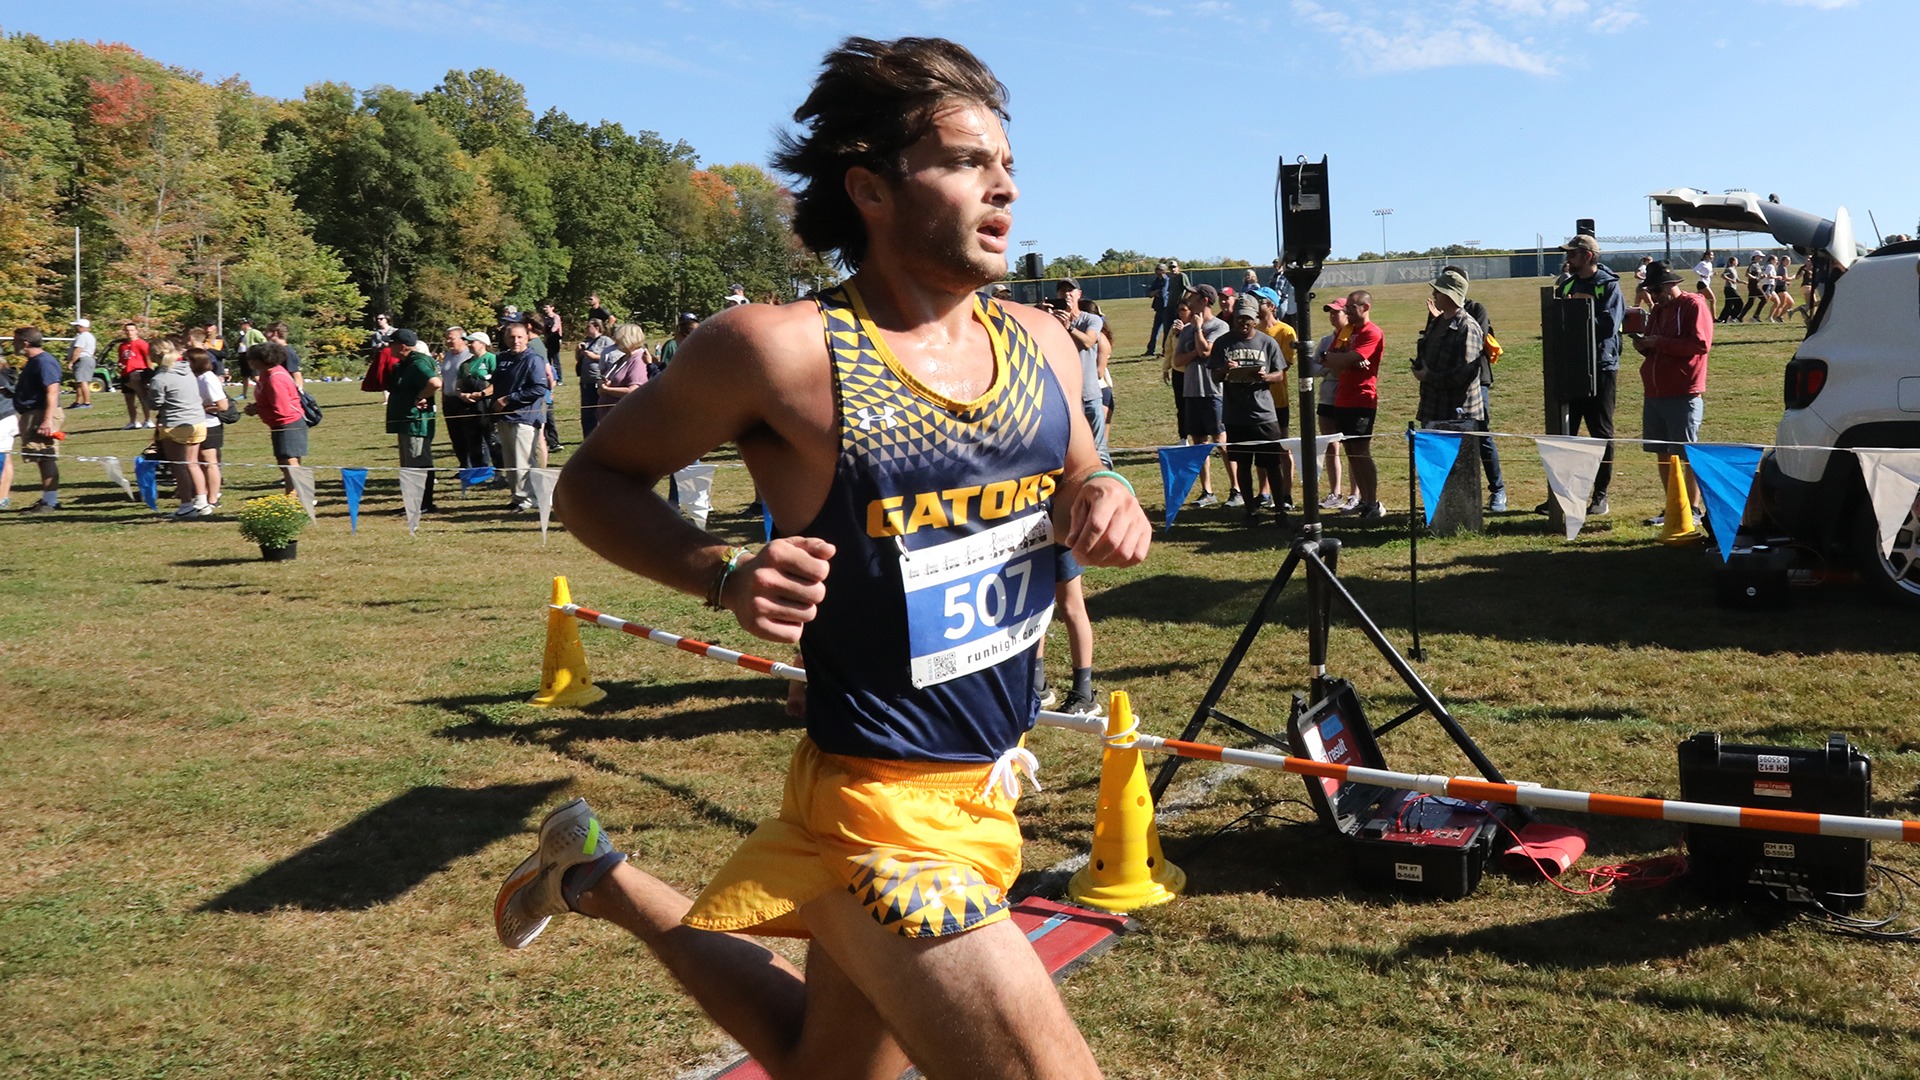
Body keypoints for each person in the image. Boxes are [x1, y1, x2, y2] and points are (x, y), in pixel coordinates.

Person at [500, 36, 1148, 1080]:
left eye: (1010, 166)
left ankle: (596, 875)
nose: (1006, 188)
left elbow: (1086, 468)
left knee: (819, 1067)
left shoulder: (1046, 341)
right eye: (967, 162)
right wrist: (724, 573)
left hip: (989, 790)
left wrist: (1109, 496)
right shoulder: (780, 351)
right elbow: (591, 484)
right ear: (871, 188)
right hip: (874, 814)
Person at [1539, 234, 1623, 517]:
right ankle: (1563, 497)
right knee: (1566, 433)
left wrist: (1582, 309)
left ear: (1588, 256)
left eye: (1573, 254)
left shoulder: (1609, 286)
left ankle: (1600, 496)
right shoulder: (1568, 284)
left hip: (1601, 368)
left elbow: (1609, 325)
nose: (1568, 259)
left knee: (1601, 433)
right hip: (1570, 369)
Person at [1631, 261, 1713, 527]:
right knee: (1662, 452)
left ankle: (1693, 509)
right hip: (1654, 392)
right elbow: (1655, 343)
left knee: (1687, 453)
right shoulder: (1658, 311)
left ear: (1669, 285)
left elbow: (1700, 344)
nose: (1652, 297)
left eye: (1655, 291)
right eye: (1650, 291)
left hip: (1683, 391)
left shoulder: (1694, 305)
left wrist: (1660, 343)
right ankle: (1673, 507)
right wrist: (1644, 345)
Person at [1208, 293, 1291, 525]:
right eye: (1238, 319)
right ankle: (1250, 510)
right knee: (1243, 464)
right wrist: (1225, 369)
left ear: (1255, 319)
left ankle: (1279, 510)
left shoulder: (1267, 342)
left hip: (1264, 413)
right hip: (1235, 414)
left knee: (1271, 463)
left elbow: (1280, 373)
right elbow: (1214, 375)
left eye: (1247, 319)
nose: (1242, 324)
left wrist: (1266, 376)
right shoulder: (1223, 343)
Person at [1429, 265, 1504, 511]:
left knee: (1480, 436)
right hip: (1442, 389)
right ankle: (1448, 499)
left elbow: (1475, 345)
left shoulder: (1474, 311)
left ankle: (1497, 490)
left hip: (1476, 383)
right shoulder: (1440, 316)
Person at [1319, 290, 1385, 520]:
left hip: (1362, 399)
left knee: (1361, 451)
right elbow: (1327, 357)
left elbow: (1345, 359)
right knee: (1351, 452)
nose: (1346, 311)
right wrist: (1341, 358)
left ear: (1365, 308)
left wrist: (1344, 358)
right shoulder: (1348, 331)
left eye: (1351, 307)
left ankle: (1373, 501)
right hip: (1341, 399)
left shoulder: (1372, 333)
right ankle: (1364, 501)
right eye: (1346, 306)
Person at [1412, 269, 1488, 455]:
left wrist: (1429, 376)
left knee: (1458, 475)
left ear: (1449, 295)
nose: (1433, 295)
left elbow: (1466, 373)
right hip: (1434, 409)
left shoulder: (1467, 327)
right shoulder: (1437, 322)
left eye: (1437, 291)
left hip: (1458, 415)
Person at [1171, 284, 1229, 507]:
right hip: (1191, 391)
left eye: (1193, 296)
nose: (1188, 299)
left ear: (1204, 300)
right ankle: (1207, 491)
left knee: (1220, 440)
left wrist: (1197, 332)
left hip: (1213, 391)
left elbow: (1207, 352)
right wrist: (1194, 348)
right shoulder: (1186, 329)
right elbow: (1178, 361)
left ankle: (1236, 489)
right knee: (1198, 443)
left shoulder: (1219, 326)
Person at [488, 318, 551, 513]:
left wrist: (509, 399)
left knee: (523, 460)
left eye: (519, 337)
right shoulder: (502, 358)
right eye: (511, 337)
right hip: (504, 418)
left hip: (524, 417)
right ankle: (517, 497)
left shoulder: (533, 359)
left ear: (526, 338)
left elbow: (539, 388)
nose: (515, 340)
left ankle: (528, 499)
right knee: (510, 461)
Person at [145, 340, 212, 518]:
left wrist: (146, 390)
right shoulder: (187, 370)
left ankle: (186, 506)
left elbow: (154, 404)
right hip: (197, 421)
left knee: (179, 466)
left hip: (176, 424)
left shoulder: (160, 378)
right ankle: (202, 502)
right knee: (192, 463)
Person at [1054, 278, 1109, 467]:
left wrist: (1069, 327)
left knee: (1099, 450)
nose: (1066, 294)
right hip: (1064, 397)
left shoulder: (1090, 319)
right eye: (1062, 291)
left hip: (1089, 394)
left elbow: (1088, 341)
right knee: (1068, 450)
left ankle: (1107, 488)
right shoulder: (1050, 322)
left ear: (1079, 294)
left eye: (1070, 290)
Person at [386, 328, 441, 514]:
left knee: (418, 462)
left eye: (391, 344)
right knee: (409, 465)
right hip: (406, 421)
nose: (388, 347)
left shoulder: (417, 363)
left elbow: (435, 382)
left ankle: (424, 503)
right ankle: (413, 503)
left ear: (402, 346)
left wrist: (421, 396)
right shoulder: (405, 363)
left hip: (416, 423)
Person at [10, 327, 64, 513]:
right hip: (33, 413)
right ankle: (48, 499)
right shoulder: (34, 361)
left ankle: (51, 502)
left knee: (44, 456)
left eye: (15, 340)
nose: (13, 344)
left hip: (42, 413)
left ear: (25, 343)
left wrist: (47, 420)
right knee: (40, 457)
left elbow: (53, 390)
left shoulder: (44, 362)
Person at [243, 342, 304, 495]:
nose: (248, 362)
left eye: (251, 359)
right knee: (283, 461)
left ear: (261, 360)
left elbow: (282, 409)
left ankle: (297, 496)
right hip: (278, 424)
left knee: (290, 461)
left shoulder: (276, 378)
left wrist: (257, 409)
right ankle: (294, 495)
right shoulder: (266, 374)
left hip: (289, 423)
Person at [1311, 296, 1354, 510]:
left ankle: (1355, 494)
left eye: (1337, 312)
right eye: (1330, 312)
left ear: (1348, 314)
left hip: (1349, 396)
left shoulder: (1355, 338)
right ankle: (1335, 492)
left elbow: (1351, 366)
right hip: (1327, 395)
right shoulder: (1326, 341)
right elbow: (1311, 367)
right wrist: (1329, 367)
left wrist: (1329, 362)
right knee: (1330, 445)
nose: (1333, 316)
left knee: (1352, 447)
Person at [449, 330, 496, 469]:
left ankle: (499, 473)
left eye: (472, 342)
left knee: (491, 439)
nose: (468, 345)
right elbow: (458, 386)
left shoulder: (491, 359)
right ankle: (479, 472)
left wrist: (482, 393)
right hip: (468, 405)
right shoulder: (465, 364)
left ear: (482, 344)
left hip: (486, 403)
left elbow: (498, 383)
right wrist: (462, 395)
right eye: (467, 342)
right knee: (473, 440)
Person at [189, 346, 229, 509]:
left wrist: (201, 408)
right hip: (197, 424)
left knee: (209, 461)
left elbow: (222, 405)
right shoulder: (196, 378)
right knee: (198, 460)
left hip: (210, 424)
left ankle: (213, 498)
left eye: (188, 360)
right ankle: (202, 495)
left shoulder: (208, 378)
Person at [575, 317, 617, 441]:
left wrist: (594, 356)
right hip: (586, 381)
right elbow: (579, 360)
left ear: (596, 327)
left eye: (589, 327)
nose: (586, 329)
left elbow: (612, 357)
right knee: (587, 413)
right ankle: (588, 439)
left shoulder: (605, 341)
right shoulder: (587, 341)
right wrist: (579, 351)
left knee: (602, 411)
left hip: (599, 381)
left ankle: (606, 437)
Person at [114, 321, 154, 428]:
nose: (129, 332)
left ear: (136, 331)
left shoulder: (142, 344)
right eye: (127, 330)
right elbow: (122, 359)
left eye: (132, 330)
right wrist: (120, 364)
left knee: (142, 397)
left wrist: (150, 373)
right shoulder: (122, 346)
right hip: (125, 373)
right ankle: (133, 421)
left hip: (138, 372)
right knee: (129, 399)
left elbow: (148, 358)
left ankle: (148, 419)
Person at [1143, 262, 1174, 355]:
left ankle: (1165, 350)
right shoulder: (1156, 280)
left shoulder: (1166, 280)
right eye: (1156, 269)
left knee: (1166, 331)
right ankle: (1150, 350)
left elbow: (1163, 293)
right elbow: (1149, 293)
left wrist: (1155, 292)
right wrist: (1155, 292)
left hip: (1165, 308)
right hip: (1158, 308)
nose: (1156, 271)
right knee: (1155, 330)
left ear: (1163, 271)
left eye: (1158, 269)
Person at [68, 318, 97, 409]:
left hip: (83, 359)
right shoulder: (90, 336)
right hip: (87, 359)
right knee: (80, 382)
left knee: (83, 381)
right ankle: (78, 402)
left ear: (82, 327)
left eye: (78, 326)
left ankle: (87, 403)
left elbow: (78, 350)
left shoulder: (82, 336)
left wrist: (71, 362)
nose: (76, 328)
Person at [1715, 255, 1743, 323]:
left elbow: (1736, 280)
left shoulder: (1734, 270)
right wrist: (1730, 280)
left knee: (1728, 306)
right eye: (1736, 261)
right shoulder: (1729, 269)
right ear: (1733, 262)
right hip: (1729, 289)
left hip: (1733, 288)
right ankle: (1732, 317)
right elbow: (1723, 275)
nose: (1737, 262)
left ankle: (1721, 319)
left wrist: (1744, 282)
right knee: (1739, 303)